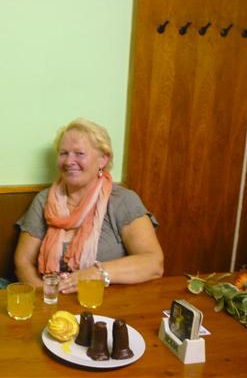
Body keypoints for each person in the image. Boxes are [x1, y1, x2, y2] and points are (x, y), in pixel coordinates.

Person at [14, 118, 164, 293]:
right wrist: (48, 297)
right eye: (63, 153)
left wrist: (96, 273)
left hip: (108, 301)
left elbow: (153, 263)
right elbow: (22, 262)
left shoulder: (123, 200)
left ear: (103, 159)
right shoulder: (44, 200)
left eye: (79, 153)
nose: (69, 161)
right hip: (54, 302)